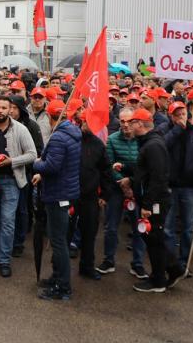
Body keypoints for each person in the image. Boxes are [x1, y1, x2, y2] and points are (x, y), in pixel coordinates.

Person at [122, 108, 183, 293]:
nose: (128, 125)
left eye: (132, 122)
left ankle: (159, 280)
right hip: (152, 199)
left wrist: (148, 205)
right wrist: (128, 173)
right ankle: (172, 270)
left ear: (140, 123)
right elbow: (145, 172)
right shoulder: (148, 143)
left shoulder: (153, 145)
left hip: (155, 202)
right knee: (154, 238)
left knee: (155, 239)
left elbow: (158, 178)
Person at [0, 96, 37, 277]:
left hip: (11, 181)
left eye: (4, 108)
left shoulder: (20, 130)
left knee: (7, 221)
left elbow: (32, 154)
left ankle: (5, 259)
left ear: (10, 110)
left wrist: (11, 161)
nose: (0, 110)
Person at [33, 100, 81, 300]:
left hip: (58, 193)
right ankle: (57, 277)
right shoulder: (72, 132)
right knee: (57, 239)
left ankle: (63, 287)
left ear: (51, 117)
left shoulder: (60, 137)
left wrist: (37, 164)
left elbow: (52, 166)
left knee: (59, 242)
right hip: (63, 191)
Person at [99, 107, 147, 279]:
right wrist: (123, 184)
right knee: (111, 227)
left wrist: (132, 183)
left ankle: (138, 264)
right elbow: (110, 164)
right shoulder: (112, 139)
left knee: (138, 228)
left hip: (138, 188)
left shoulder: (143, 140)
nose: (126, 125)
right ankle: (109, 260)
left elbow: (144, 165)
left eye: (129, 121)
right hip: (116, 189)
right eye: (122, 121)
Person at [161, 102, 193, 273]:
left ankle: (184, 263)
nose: (181, 116)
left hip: (190, 187)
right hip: (170, 186)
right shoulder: (165, 129)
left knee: (188, 227)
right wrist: (176, 131)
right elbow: (161, 147)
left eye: (183, 113)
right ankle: (171, 263)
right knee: (168, 228)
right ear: (170, 115)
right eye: (176, 114)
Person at [76, 114, 112, 280]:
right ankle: (58, 267)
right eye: (84, 121)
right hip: (70, 194)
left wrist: (104, 194)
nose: (87, 125)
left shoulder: (98, 145)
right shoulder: (72, 140)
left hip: (90, 196)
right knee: (65, 233)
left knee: (89, 233)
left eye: (90, 122)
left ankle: (87, 266)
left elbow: (106, 171)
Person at [8, 95, 43, 257]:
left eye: (14, 108)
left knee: (22, 209)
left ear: (20, 109)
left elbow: (37, 151)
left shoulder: (31, 126)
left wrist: (22, 163)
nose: (10, 111)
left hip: (24, 173)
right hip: (4, 174)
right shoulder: (0, 124)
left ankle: (19, 241)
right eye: (9, 107)